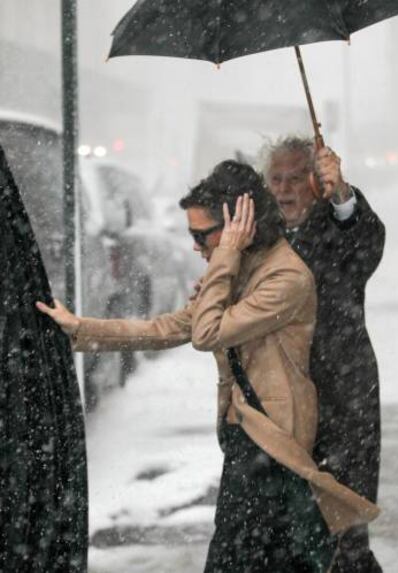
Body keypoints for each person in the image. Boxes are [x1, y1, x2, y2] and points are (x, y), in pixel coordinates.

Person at [37, 160, 379, 573]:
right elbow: (173, 326)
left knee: (240, 560)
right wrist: (82, 329)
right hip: (248, 438)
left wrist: (226, 257)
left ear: (239, 224)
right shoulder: (242, 270)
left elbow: (206, 333)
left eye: (203, 236)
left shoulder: (285, 277)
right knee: (275, 560)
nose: (198, 248)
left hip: (275, 444)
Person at [260, 137, 385, 573]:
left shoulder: (336, 230)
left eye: (296, 178)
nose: (284, 189)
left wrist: (343, 193)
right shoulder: (261, 237)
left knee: (343, 531)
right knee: (285, 532)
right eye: (276, 178)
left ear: (316, 183)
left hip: (342, 397)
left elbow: (367, 242)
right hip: (280, 403)